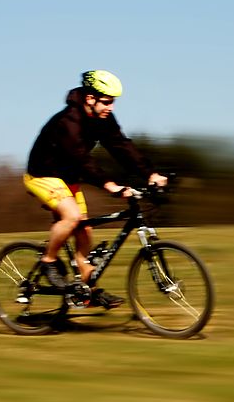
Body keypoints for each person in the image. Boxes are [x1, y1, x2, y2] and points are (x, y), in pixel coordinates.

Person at [23, 69, 168, 308]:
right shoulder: (69, 121)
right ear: (91, 99)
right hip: (42, 175)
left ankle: (86, 292)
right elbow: (81, 158)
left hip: (68, 179)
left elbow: (121, 146)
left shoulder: (103, 119)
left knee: (85, 231)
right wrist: (109, 184)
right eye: (107, 102)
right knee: (72, 217)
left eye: (113, 102)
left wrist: (150, 172)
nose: (111, 107)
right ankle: (48, 261)